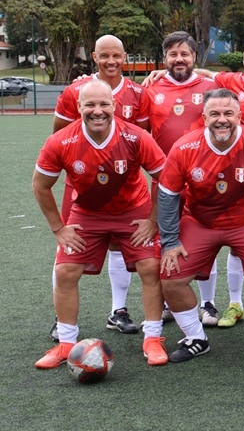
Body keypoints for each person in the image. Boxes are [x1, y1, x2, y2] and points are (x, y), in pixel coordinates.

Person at [34, 79, 168, 368]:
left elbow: (165, 179)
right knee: (66, 271)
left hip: (133, 210)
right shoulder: (61, 141)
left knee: (150, 267)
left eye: (104, 104)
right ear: (79, 107)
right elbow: (40, 185)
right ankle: (66, 343)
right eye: (90, 105)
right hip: (87, 213)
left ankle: (153, 338)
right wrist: (58, 228)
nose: (98, 111)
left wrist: (153, 220)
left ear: (114, 106)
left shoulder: (135, 137)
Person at [157, 88, 244, 363]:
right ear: (203, 117)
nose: (222, 119)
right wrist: (170, 241)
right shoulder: (184, 147)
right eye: (215, 113)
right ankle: (196, 338)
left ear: (239, 116)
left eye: (228, 113)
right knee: (171, 276)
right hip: (201, 221)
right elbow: (168, 195)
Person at [49, 35, 152, 341]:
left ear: (125, 57)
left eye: (116, 56)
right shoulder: (74, 90)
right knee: (67, 249)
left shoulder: (138, 92)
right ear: (94, 57)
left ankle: (118, 311)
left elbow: (141, 137)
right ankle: (61, 319)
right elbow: (59, 135)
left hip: (126, 186)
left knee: (122, 244)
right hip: (82, 185)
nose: (110, 61)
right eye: (104, 55)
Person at [143, 32, 219, 327]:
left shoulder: (211, 86)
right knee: (165, 238)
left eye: (185, 54)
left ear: (194, 58)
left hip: (204, 179)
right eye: (173, 54)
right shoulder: (149, 89)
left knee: (205, 240)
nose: (179, 59)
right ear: (164, 59)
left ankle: (209, 303)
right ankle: (165, 302)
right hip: (165, 180)